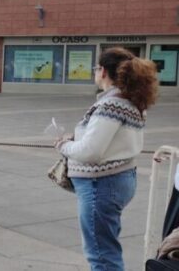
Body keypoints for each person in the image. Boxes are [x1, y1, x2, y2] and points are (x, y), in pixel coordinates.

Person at [55, 48, 158, 271]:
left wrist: (65, 145)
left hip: (100, 185)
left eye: (96, 68)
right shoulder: (130, 100)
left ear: (103, 71)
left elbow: (91, 151)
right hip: (116, 179)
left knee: (101, 256)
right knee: (106, 247)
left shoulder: (111, 104)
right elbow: (110, 140)